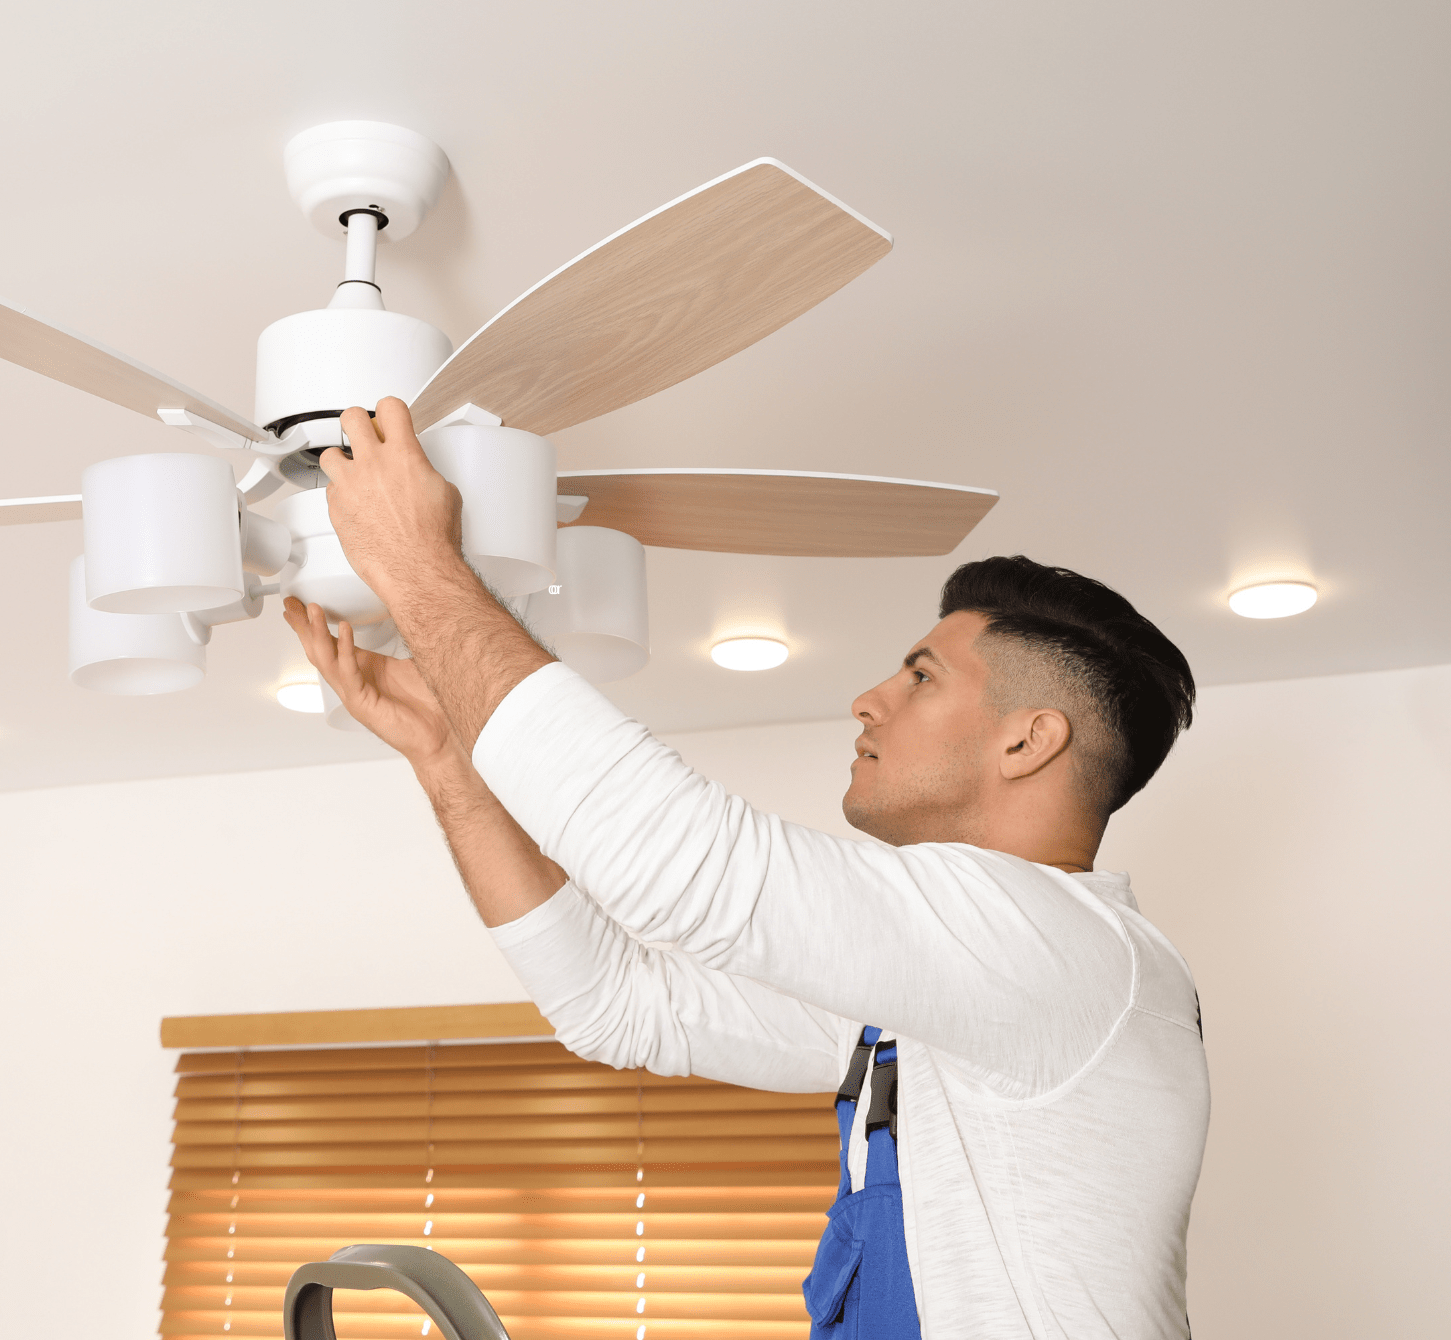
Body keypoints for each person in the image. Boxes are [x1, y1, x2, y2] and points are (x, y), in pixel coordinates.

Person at [282, 398, 1208, 1340]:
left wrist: (417, 565)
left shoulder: (1063, 948)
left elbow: (688, 866)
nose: (868, 699)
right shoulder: (950, 1003)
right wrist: (450, 756)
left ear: (1028, 741)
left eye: (922, 675)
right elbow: (617, 1004)